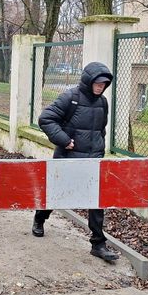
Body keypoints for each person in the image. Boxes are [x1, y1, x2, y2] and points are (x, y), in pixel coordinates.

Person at [34, 61, 118, 262]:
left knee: (97, 202)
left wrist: (99, 149)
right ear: (89, 81)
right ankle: (40, 218)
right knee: (55, 193)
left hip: (94, 160)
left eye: (104, 84)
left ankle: (98, 244)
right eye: (97, 83)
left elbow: (101, 129)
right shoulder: (70, 98)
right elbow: (45, 118)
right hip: (68, 158)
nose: (100, 87)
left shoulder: (103, 102)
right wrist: (64, 140)